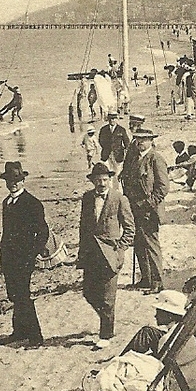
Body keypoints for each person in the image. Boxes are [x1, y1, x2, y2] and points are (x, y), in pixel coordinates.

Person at [78, 162, 135, 349]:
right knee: (88, 292)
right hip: (91, 254)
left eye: (105, 180)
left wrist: (120, 248)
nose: (101, 183)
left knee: (108, 297)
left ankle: (106, 334)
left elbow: (129, 228)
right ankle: (105, 318)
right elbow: (83, 227)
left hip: (111, 255)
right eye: (98, 180)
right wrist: (81, 252)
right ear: (93, 181)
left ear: (110, 180)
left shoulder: (119, 199)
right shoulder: (87, 198)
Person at [0, 161, 50, 348]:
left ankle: (36, 336)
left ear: (23, 180)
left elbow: (43, 231)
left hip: (23, 258)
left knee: (23, 296)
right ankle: (19, 331)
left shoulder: (32, 203)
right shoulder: (6, 202)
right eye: (10, 180)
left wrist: (33, 253)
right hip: (8, 256)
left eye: (17, 180)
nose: (13, 183)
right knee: (14, 295)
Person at [123, 290, 196, 391]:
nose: (155, 316)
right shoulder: (180, 330)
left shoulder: (166, 340)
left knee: (132, 359)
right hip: (194, 380)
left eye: (159, 312)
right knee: (147, 331)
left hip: (179, 383)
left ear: (170, 316)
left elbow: (158, 365)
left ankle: (120, 363)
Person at [120, 129, 169, 294]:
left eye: (143, 139)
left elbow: (163, 188)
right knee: (139, 245)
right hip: (134, 210)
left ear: (150, 141)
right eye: (137, 139)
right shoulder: (134, 158)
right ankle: (146, 279)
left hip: (149, 212)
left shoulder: (155, 159)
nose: (139, 142)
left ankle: (157, 282)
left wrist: (147, 204)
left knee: (151, 245)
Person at [97, 112, 130, 177]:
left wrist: (124, 151)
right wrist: (107, 148)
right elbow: (101, 140)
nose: (112, 120)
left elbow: (126, 142)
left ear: (117, 119)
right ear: (108, 119)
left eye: (114, 118)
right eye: (110, 119)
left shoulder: (121, 130)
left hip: (118, 155)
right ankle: (110, 187)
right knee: (107, 172)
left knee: (118, 172)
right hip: (106, 155)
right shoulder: (104, 129)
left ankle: (118, 187)